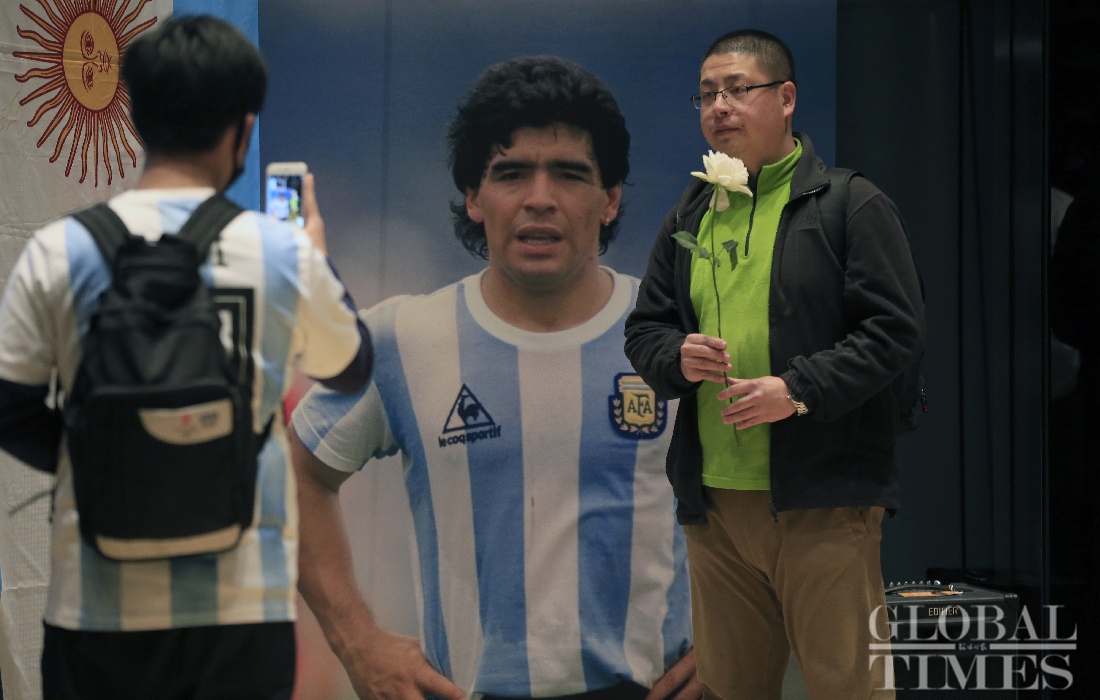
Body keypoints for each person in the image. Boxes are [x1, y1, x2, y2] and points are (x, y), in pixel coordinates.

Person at [290, 56, 698, 700]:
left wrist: (738, 639)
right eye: (511, 174)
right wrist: (357, 642)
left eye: (569, 173)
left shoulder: (682, 335)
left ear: (611, 198)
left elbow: (775, 486)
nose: (540, 198)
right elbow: (293, 471)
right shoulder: (401, 339)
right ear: (474, 198)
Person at [0, 16, 372, 700]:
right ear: (244, 129)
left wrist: (101, 454)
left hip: (94, 609)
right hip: (240, 610)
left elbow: (8, 407)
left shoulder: (59, 249)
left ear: (137, 118)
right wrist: (314, 260)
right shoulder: (280, 253)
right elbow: (348, 368)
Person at [624, 30, 924, 700]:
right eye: (707, 95)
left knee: (851, 690)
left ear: (785, 98)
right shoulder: (691, 214)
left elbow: (895, 331)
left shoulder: (849, 203)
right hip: (715, 507)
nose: (719, 107)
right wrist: (676, 355)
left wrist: (797, 389)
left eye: (737, 89)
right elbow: (645, 329)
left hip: (823, 500)